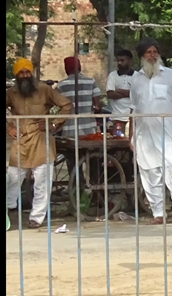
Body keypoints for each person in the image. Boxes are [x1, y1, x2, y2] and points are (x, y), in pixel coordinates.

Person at [129, 37, 172, 225]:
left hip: (167, 134)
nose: (152, 55)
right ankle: (158, 214)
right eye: (148, 52)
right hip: (144, 135)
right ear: (142, 56)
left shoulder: (171, 76)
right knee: (150, 173)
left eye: (155, 52)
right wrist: (130, 135)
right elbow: (133, 109)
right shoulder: (136, 79)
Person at [7, 58, 73, 230]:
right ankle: (9, 209)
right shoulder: (11, 92)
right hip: (20, 140)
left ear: (31, 73)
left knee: (42, 182)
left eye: (27, 72)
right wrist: (9, 128)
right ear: (16, 75)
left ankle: (36, 217)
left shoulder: (44, 89)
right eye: (21, 73)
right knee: (12, 178)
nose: (24, 75)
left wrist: (53, 124)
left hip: (41, 139)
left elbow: (66, 105)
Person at [56, 57, 102, 141]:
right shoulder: (91, 82)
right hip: (89, 130)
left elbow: (54, 104)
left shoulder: (61, 85)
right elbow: (98, 107)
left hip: (69, 130)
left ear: (66, 69)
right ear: (79, 67)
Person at [106, 48, 135, 136]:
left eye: (122, 60)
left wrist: (119, 90)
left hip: (133, 116)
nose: (119, 63)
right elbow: (110, 94)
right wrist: (130, 93)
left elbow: (139, 95)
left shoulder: (138, 76)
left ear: (129, 60)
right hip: (117, 116)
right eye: (118, 60)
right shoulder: (112, 75)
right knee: (118, 141)